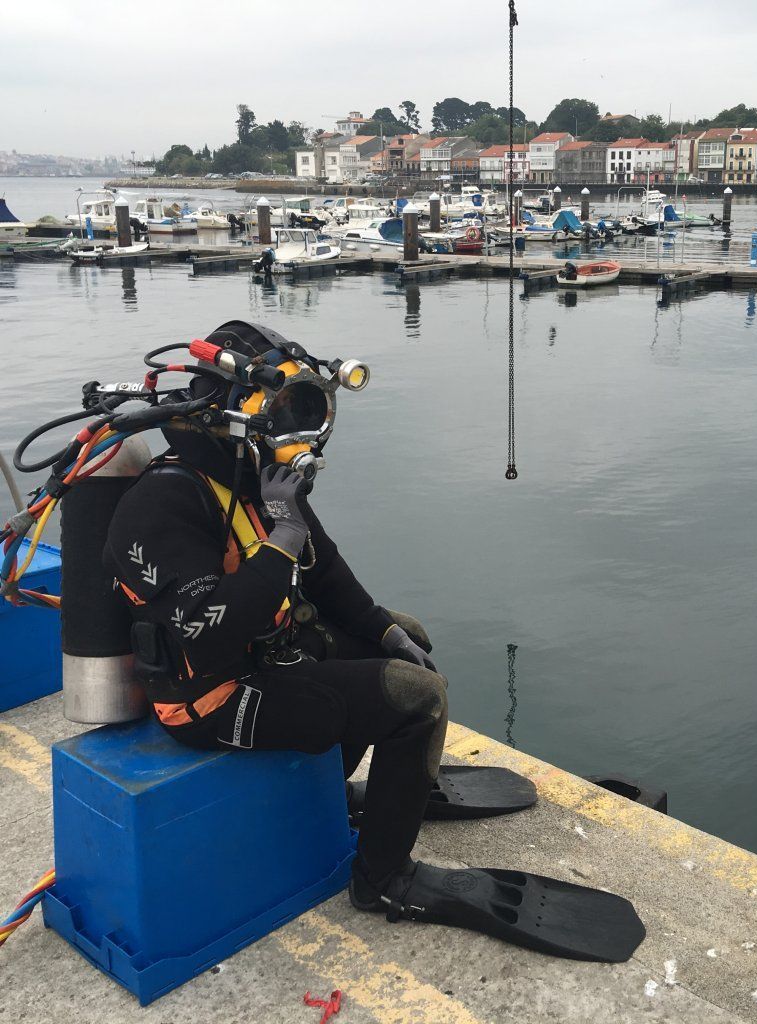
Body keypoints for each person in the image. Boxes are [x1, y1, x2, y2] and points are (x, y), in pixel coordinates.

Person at [101, 320, 644, 962]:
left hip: (264, 663)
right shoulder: (163, 504)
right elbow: (214, 631)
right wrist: (281, 540)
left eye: (310, 415)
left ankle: (344, 793)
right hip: (211, 700)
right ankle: (385, 879)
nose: (300, 440)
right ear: (233, 420)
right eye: (286, 418)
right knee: (416, 699)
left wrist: (384, 628)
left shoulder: (251, 482)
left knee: (400, 638)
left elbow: (325, 573)